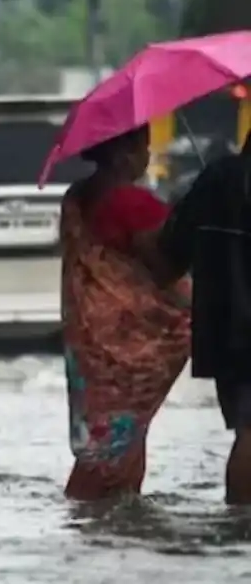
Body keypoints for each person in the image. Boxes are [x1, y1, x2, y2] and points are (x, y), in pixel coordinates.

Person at [58, 125, 191, 501]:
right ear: (122, 152)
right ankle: (103, 514)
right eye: (143, 147)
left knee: (107, 438)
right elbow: (164, 267)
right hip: (129, 342)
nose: (147, 156)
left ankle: (98, 520)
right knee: (118, 441)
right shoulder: (130, 203)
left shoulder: (76, 197)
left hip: (90, 340)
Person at [156, 133, 251, 505]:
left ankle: (238, 526)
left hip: (227, 329)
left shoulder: (217, 179)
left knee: (247, 426)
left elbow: (169, 254)